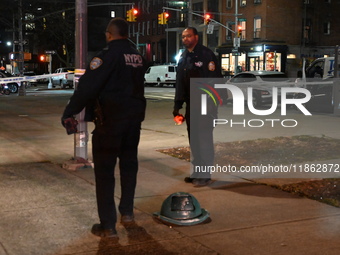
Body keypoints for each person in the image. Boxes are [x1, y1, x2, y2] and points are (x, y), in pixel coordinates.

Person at [61, 18, 147, 238]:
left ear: (110, 34)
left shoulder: (106, 56)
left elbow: (87, 87)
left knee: (105, 173)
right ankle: (127, 212)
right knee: (129, 168)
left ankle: (108, 225)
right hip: (133, 122)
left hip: (110, 122)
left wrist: (69, 111)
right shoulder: (137, 56)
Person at [173, 27, 223, 187]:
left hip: (205, 104)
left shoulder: (206, 55)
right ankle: (197, 172)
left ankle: (205, 175)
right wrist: (177, 106)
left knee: (204, 140)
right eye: (183, 37)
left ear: (196, 37)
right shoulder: (184, 57)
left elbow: (214, 81)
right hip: (191, 105)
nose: (185, 39)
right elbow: (180, 83)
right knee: (194, 140)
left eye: (188, 36)